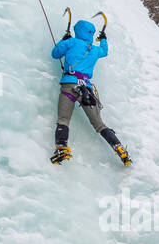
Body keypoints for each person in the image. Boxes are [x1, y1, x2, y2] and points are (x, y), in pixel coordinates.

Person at [50, 18, 131, 166]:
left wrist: (64, 40)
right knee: (100, 125)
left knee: (63, 119)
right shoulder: (94, 49)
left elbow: (55, 54)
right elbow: (104, 51)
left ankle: (62, 148)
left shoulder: (71, 42)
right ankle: (119, 147)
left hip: (69, 85)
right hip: (86, 89)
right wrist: (103, 39)